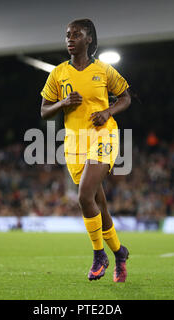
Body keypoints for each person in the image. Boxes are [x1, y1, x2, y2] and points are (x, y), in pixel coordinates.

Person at [40, 19, 131, 282]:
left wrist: (108, 111)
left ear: (88, 39)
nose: (70, 39)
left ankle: (98, 255)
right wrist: (63, 102)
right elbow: (44, 111)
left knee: (83, 197)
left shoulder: (103, 70)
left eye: (76, 35)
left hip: (103, 136)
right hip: (74, 143)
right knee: (98, 203)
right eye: (67, 35)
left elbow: (125, 96)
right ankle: (120, 252)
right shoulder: (58, 73)